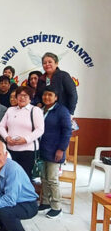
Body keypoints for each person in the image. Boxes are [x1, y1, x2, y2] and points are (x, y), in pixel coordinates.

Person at [38, 86, 72, 219]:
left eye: (50, 95)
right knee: (44, 178)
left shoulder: (62, 111)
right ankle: (46, 202)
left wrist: (61, 149)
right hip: (43, 149)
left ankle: (57, 207)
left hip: (55, 150)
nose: (46, 97)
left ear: (56, 97)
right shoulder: (42, 110)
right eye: (45, 95)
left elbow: (67, 131)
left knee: (52, 179)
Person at [0, 86, 45, 180]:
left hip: (28, 151)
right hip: (10, 150)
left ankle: (23, 195)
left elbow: (40, 129)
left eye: (25, 95)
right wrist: (7, 138)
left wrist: (25, 140)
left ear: (30, 97)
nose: (22, 97)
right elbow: (1, 126)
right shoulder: (10, 110)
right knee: (10, 177)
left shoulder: (35, 110)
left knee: (24, 178)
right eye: (19, 95)